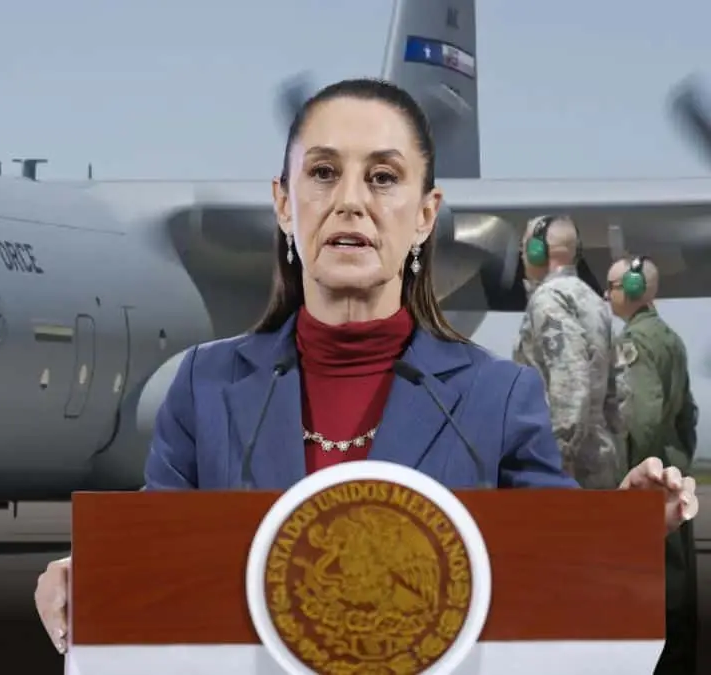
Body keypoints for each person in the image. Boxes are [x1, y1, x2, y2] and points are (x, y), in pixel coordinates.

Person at [34, 78, 699, 654]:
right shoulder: (206, 387)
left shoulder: (500, 397)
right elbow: (159, 547)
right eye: (323, 172)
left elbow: (554, 559)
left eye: (383, 177)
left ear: (426, 216)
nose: (351, 200)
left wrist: (622, 522)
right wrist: (85, 574)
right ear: (284, 203)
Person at [606, 255, 699, 674]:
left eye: (610, 286)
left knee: (657, 575)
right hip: (674, 461)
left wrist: (643, 469)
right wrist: (680, 455)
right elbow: (688, 413)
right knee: (680, 573)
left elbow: (642, 418)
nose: (608, 294)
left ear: (629, 288)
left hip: (652, 471)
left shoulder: (635, 341)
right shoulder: (671, 337)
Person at [511, 215, 628, 489]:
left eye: (524, 247)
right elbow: (619, 390)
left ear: (537, 251)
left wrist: (557, 459)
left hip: (566, 470)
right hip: (600, 461)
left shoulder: (548, 300)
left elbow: (571, 382)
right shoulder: (594, 301)